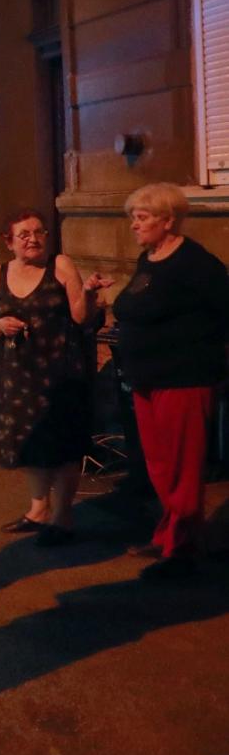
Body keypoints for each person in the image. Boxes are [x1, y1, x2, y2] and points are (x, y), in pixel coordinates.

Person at [112, 183, 229, 581]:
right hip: (147, 378)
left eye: (142, 218)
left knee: (182, 466)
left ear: (168, 220)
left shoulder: (196, 264)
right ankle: (169, 535)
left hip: (183, 378)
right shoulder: (149, 258)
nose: (134, 225)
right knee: (160, 464)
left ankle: (183, 549)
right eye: (133, 217)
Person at [0, 208, 105, 548]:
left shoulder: (60, 265)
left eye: (39, 232)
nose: (33, 239)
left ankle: (62, 517)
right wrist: (0, 325)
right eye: (24, 234)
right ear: (9, 241)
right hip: (20, 375)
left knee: (64, 445)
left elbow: (80, 317)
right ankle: (38, 511)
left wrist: (89, 292)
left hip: (61, 373)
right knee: (31, 441)